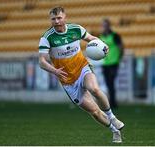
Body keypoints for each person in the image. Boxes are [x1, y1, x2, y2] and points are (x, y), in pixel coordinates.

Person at [39, 7, 124, 143]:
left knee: (94, 89)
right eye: (53, 19)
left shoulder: (76, 29)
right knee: (95, 111)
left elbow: (91, 39)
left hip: (82, 68)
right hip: (68, 81)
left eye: (59, 18)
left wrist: (103, 46)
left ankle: (112, 116)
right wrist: (54, 71)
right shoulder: (47, 38)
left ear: (65, 17)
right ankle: (114, 131)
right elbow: (42, 62)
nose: (56, 21)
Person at [100, 19, 124, 109]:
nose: (104, 27)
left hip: (114, 63)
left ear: (109, 26)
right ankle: (112, 102)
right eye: (103, 25)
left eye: (105, 25)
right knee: (108, 83)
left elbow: (121, 47)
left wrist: (119, 58)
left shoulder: (115, 36)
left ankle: (112, 102)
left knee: (111, 83)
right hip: (105, 63)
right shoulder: (101, 36)